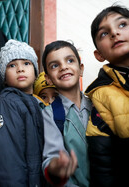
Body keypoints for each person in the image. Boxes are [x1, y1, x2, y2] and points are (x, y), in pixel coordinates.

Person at [85, 5, 129, 187]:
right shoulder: (101, 95)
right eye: (104, 34)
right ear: (99, 55)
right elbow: (102, 162)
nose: (114, 33)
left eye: (122, 25)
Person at [0, 39, 45, 186]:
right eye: (12, 65)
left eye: (26, 63)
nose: (20, 69)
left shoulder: (36, 101)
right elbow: (10, 160)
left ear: (35, 71)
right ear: (4, 78)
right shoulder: (6, 102)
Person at [41, 40, 91, 187]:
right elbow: (51, 157)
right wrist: (56, 166)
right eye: (55, 65)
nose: (63, 67)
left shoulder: (99, 104)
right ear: (48, 78)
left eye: (70, 60)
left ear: (81, 69)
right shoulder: (50, 115)